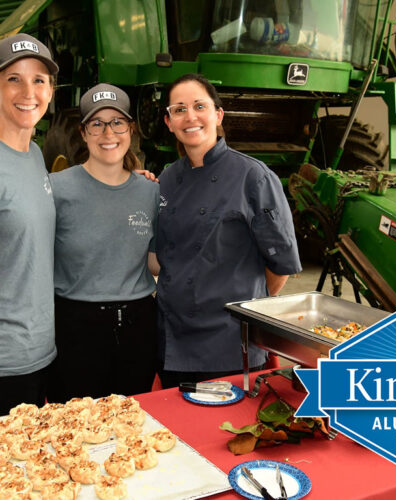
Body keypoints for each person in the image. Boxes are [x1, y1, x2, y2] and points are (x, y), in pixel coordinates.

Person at [156, 73, 302, 388]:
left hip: (229, 344)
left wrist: (244, 313)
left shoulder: (254, 177)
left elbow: (279, 267)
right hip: (172, 340)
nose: (190, 117)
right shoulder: (166, 179)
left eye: (199, 106)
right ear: (169, 122)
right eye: (179, 110)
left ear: (218, 114)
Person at [47, 83, 160, 402]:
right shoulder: (56, 189)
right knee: (72, 427)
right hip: (74, 325)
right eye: (96, 124)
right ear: (83, 133)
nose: (107, 133)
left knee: (131, 424)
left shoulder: (151, 191)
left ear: (131, 129)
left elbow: (155, 261)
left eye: (117, 122)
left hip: (138, 324)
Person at [0, 33, 59, 415]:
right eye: (13, 79)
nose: (28, 91)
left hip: (39, 353)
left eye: (39, 80)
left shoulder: (34, 154)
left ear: (51, 91)